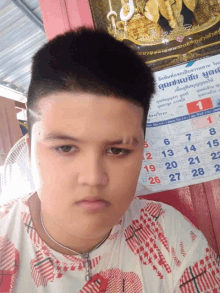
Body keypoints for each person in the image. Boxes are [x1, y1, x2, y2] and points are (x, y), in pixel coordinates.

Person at [0, 27, 219, 292]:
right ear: (30, 151)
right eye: (66, 147)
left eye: (117, 151)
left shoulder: (171, 238)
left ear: (142, 153)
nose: (93, 177)